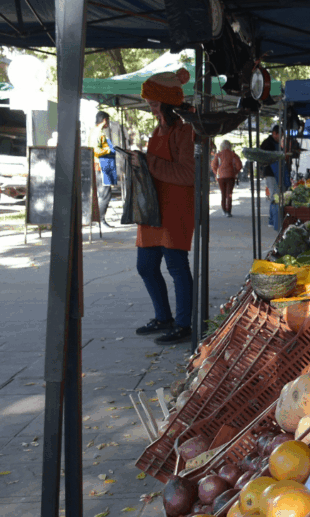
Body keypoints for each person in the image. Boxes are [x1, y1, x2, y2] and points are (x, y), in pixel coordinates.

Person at [130, 68, 196, 345]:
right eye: (149, 101)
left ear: (169, 101)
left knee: (177, 267)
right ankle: (163, 317)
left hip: (175, 208)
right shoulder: (157, 130)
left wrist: (148, 163)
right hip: (152, 208)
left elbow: (187, 174)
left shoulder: (186, 130)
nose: (150, 106)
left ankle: (183, 324)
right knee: (145, 266)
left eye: (155, 101)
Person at [260, 125, 291, 231]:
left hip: (277, 172)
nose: (281, 137)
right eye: (280, 135)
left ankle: (274, 219)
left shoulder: (276, 143)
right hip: (271, 173)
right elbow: (266, 158)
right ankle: (272, 220)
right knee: (275, 196)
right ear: (274, 133)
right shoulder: (267, 144)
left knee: (277, 196)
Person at [90, 111, 117, 227]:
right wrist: (111, 149)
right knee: (105, 194)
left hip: (98, 166)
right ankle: (100, 219)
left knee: (101, 194)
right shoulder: (100, 134)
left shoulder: (93, 132)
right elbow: (101, 151)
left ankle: (98, 219)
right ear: (105, 120)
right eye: (108, 120)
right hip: (102, 166)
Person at [211, 140, 242, 217]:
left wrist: (217, 173)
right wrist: (235, 172)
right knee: (229, 194)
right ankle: (228, 211)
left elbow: (213, 165)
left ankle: (224, 210)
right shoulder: (233, 154)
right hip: (231, 176)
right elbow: (239, 165)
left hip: (221, 177)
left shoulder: (218, 155)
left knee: (223, 193)